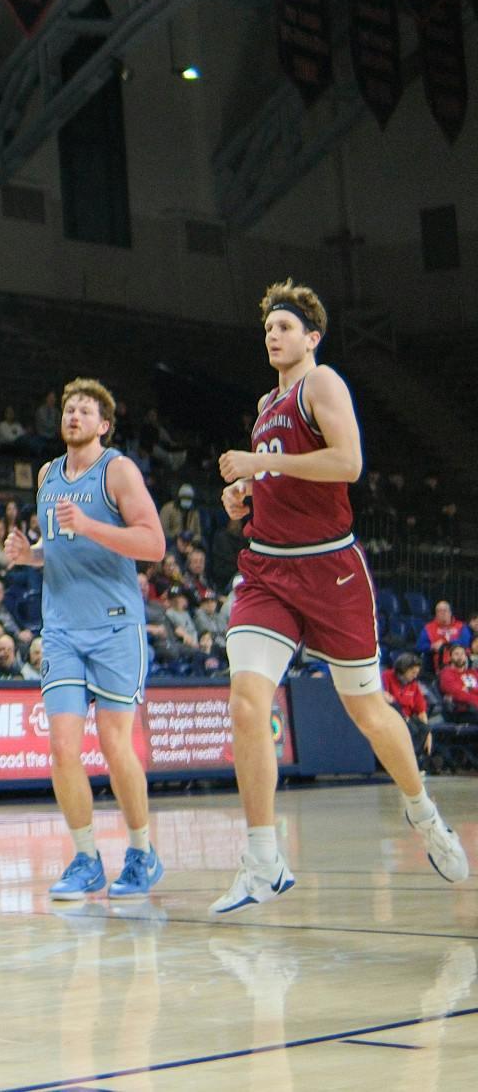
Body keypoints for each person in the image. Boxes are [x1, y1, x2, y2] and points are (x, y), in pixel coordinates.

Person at [211, 281, 466, 909]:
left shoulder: (321, 386)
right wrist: (244, 498)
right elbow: (278, 480)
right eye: (268, 326)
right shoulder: (267, 404)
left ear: (312, 337)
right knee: (247, 703)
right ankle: (263, 859)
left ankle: (422, 810)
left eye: (286, 326)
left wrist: (255, 462)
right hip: (268, 570)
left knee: (368, 711)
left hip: (331, 571)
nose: (274, 334)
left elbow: (348, 463)